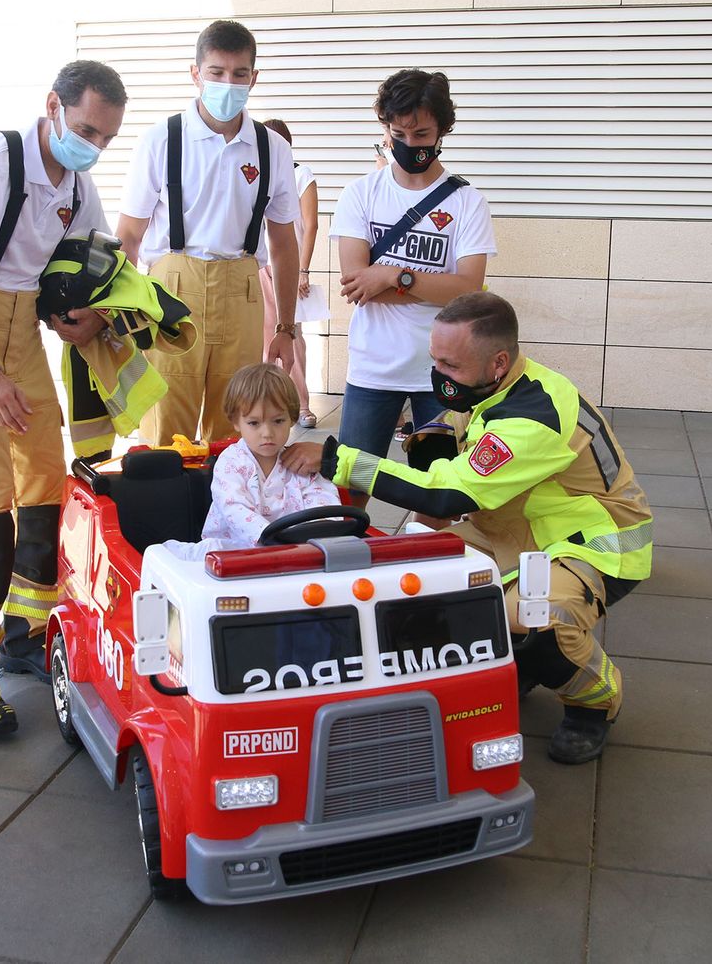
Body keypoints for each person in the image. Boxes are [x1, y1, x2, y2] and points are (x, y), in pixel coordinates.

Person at [283, 293, 653, 765]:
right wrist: (417, 542)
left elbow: (446, 497)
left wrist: (338, 460)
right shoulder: (488, 386)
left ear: (498, 362)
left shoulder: (533, 416)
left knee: (539, 620)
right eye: (434, 359)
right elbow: (438, 463)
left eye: (450, 365)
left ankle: (594, 702)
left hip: (594, 542)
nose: (438, 374)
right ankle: (513, 662)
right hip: (513, 527)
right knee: (407, 580)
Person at [0, 60, 126, 739]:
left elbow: (93, 263)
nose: (91, 147)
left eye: (104, 139)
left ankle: (25, 634)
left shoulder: (77, 184)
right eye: (85, 130)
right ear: (52, 107)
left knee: (44, 484)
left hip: (19, 327)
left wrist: (95, 317)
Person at [116, 19, 300, 445]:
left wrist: (286, 328)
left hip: (243, 291)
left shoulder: (273, 148)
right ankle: (167, 511)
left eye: (239, 75)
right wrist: (119, 317)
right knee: (165, 424)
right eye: (216, 72)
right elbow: (129, 234)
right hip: (171, 289)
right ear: (195, 73)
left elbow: (284, 242)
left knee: (237, 425)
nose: (227, 84)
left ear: (254, 78)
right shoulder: (161, 140)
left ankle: (227, 511)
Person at [330, 70, 495, 508]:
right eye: (397, 133)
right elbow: (354, 283)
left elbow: (467, 290)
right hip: (372, 369)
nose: (408, 143)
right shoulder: (360, 195)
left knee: (440, 493)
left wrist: (392, 275)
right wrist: (426, 285)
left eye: (421, 133)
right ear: (384, 128)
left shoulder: (466, 202)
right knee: (351, 486)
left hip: (442, 372)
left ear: (443, 130)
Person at [164, 363, 338, 560]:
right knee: (189, 555)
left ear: (291, 418)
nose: (267, 433)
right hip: (234, 552)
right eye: (254, 423)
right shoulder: (231, 462)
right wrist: (270, 541)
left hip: (295, 553)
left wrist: (323, 528)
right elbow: (234, 507)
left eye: (278, 421)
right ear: (236, 421)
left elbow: (323, 500)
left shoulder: (301, 462)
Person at [258, 119, 317, 428]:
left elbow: (310, 225)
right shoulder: (255, 172)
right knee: (263, 338)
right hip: (257, 265)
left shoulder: (299, 174)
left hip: (288, 266)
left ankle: (301, 404)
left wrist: (303, 269)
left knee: (291, 334)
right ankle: (270, 405)